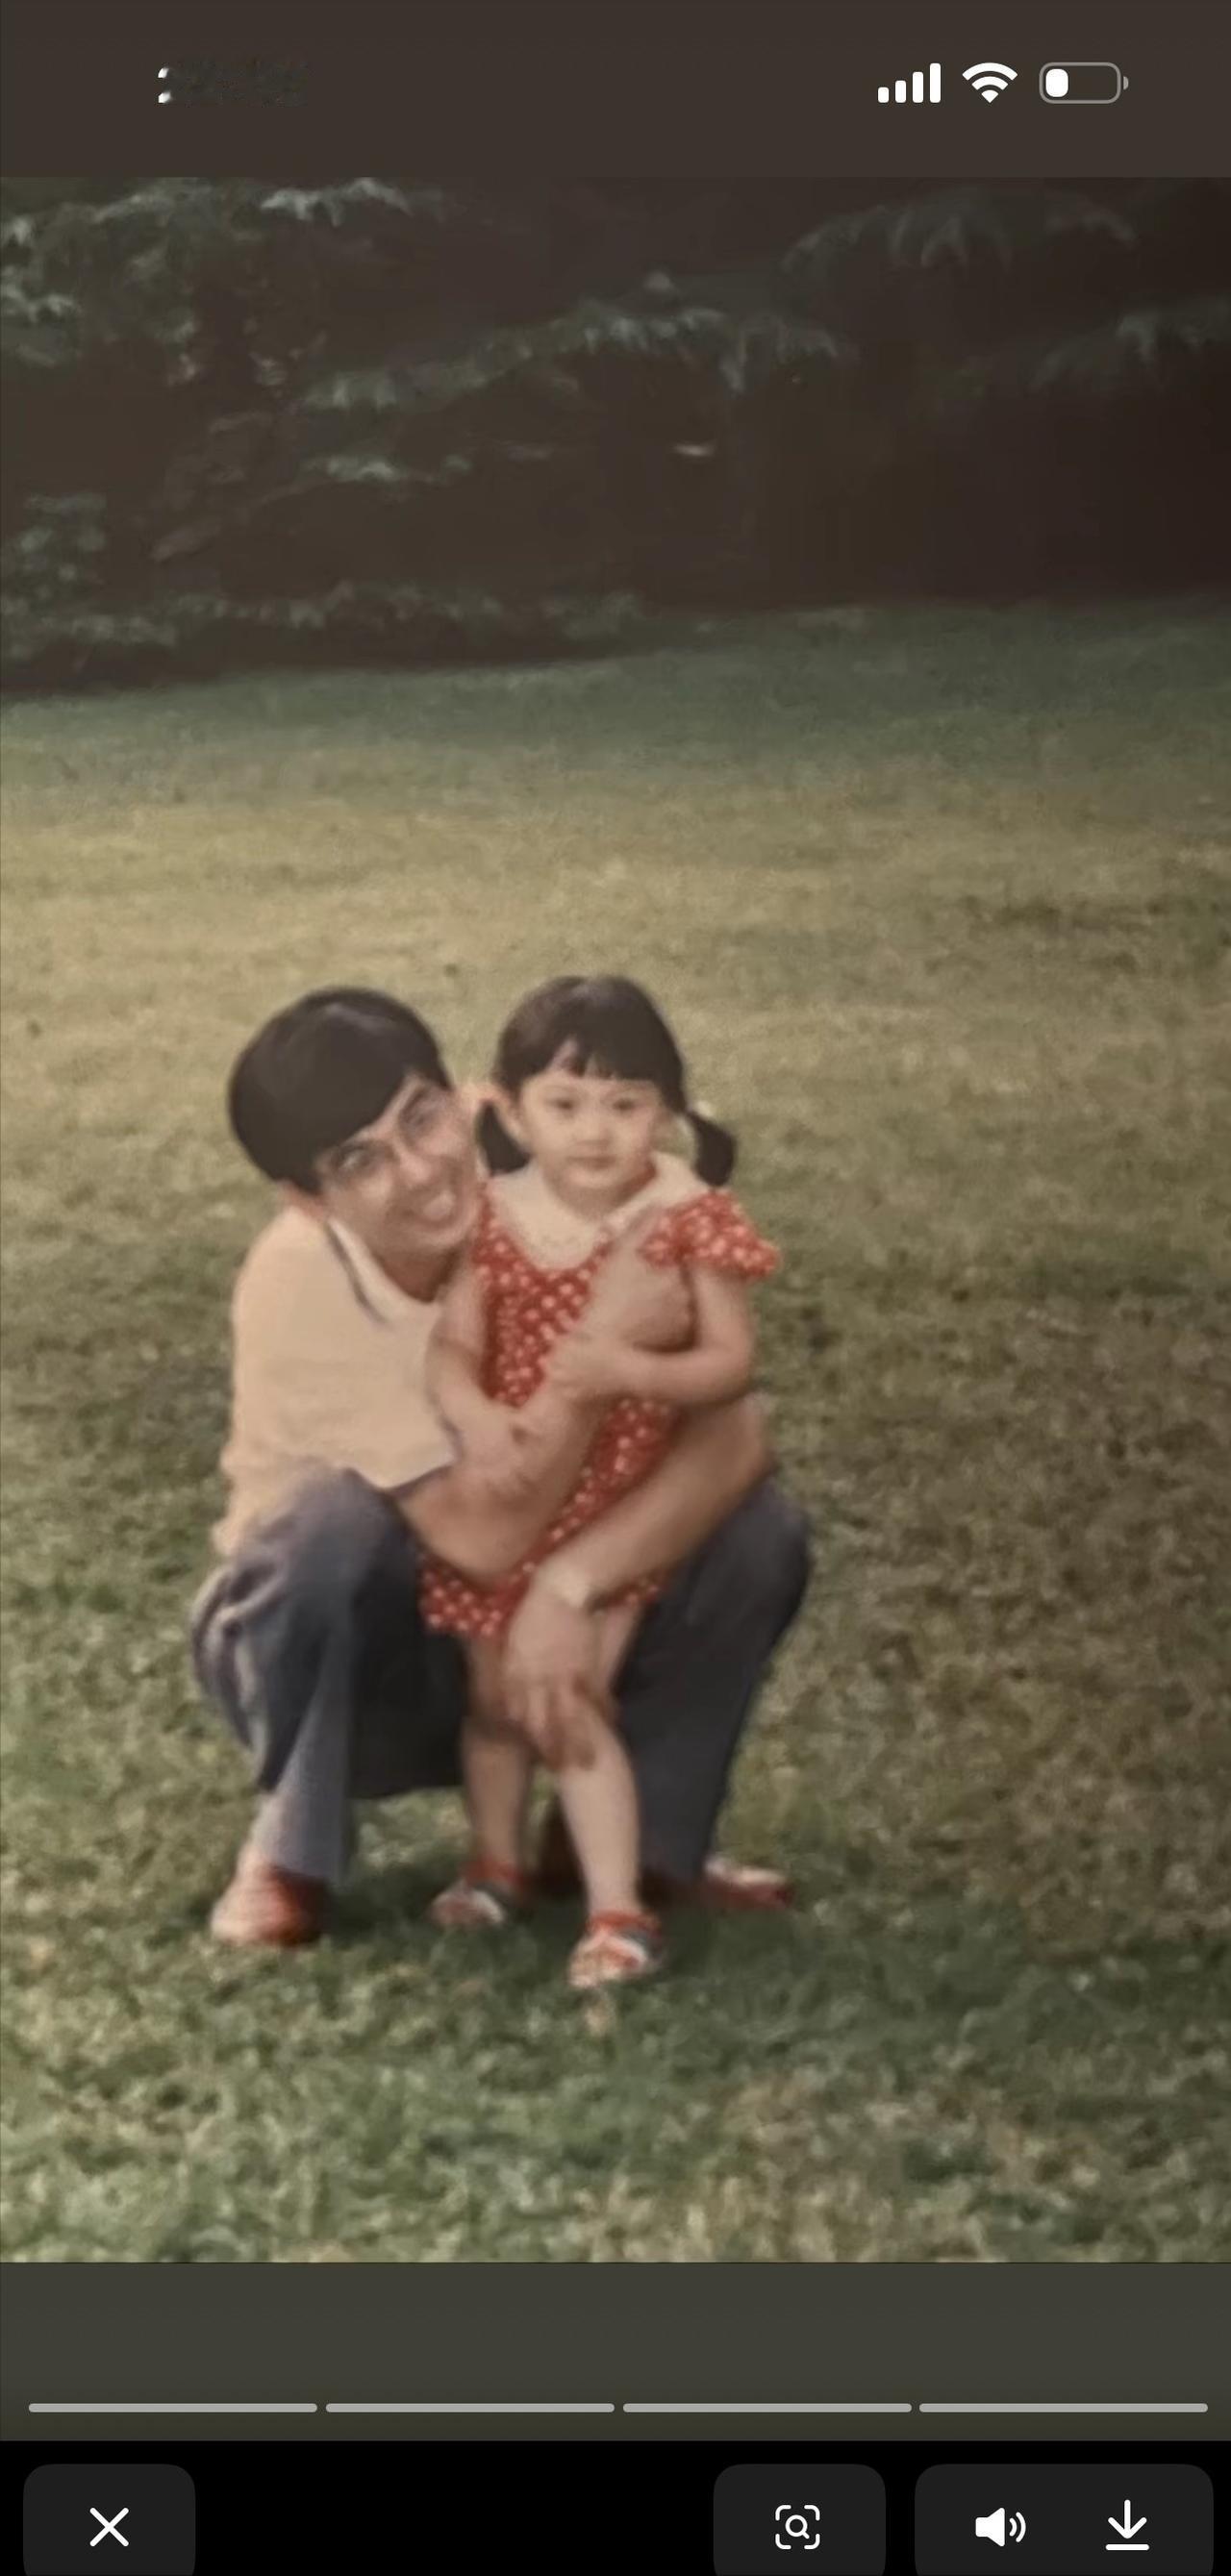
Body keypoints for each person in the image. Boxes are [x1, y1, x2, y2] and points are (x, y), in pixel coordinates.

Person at [191, 987, 810, 1949]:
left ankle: (640, 1845)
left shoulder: (553, 1151)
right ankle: (290, 1851)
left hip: (557, 1624)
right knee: (330, 1525)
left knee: (756, 1529)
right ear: (309, 1199)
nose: (422, 1173)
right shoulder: (300, 1280)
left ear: (469, 1097)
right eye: (360, 1161)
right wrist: (595, 1354)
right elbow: (479, 1539)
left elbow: (738, 1435)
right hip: (369, 1659)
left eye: (422, 1119)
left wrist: (571, 1583)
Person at [421, 975, 780, 1989]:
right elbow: (451, 1350)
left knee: (571, 1698)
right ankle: (495, 1864)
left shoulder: (682, 1215)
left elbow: (731, 1364)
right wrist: (475, 1416)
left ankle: (617, 1911)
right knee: (495, 1700)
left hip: (617, 1504)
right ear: (511, 1109)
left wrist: (632, 1370)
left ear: (665, 1109)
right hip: (511, 1491)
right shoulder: (493, 1215)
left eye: (625, 1104)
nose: (593, 1132)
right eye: (565, 1104)